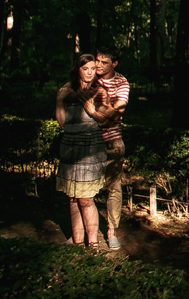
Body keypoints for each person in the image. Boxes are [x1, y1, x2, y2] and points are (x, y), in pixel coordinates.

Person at [55, 54, 115, 249]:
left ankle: (94, 244)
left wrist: (91, 112)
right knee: (73, 198)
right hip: (70, 149)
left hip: (90, 151)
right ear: (77, 69)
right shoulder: (66, 90)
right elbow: (61, 120)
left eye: (92, 69)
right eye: (85, 69)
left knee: (86, 199)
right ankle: (77, 242)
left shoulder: (100, 92)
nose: (89, 73)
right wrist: (60, 101)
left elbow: (107, 120)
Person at [95, 45, 130, 250]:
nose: (98, 66)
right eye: (97, 61)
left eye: (103, 62)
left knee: (113, 188)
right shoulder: (90, 77)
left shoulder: (121, 82)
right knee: (85, 188)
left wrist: (97, 111)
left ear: (114, 64)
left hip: (112, 141)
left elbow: (119, 113)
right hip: (89, 142)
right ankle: (83, 231)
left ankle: (111, 232)